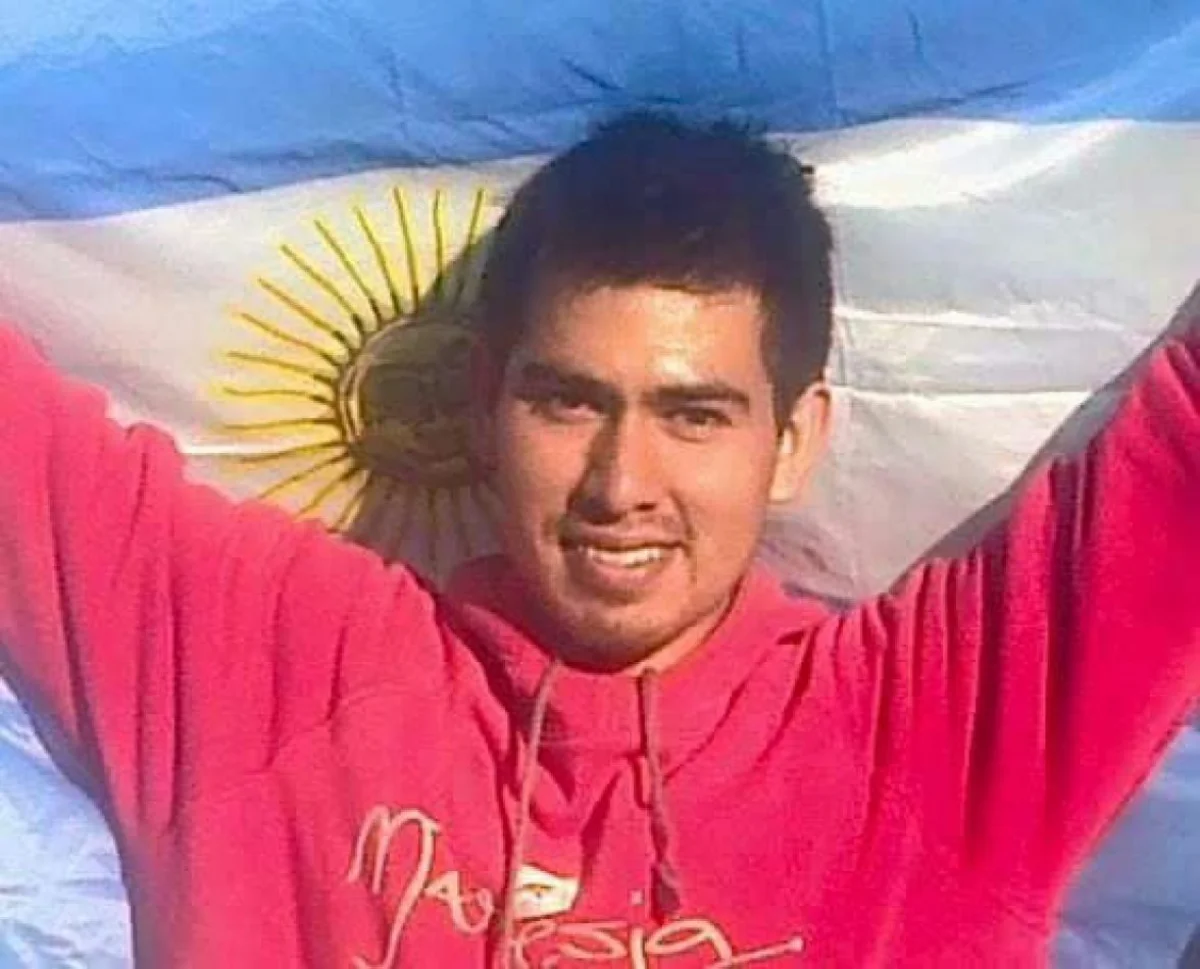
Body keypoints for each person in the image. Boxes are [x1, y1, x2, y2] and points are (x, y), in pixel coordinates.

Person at [0, 112, 1196, 969]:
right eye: (568, 402)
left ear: (793, 440)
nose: (622, 485)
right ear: (485, 403)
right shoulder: (268, 672)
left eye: (694, 415)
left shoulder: (937, 734)